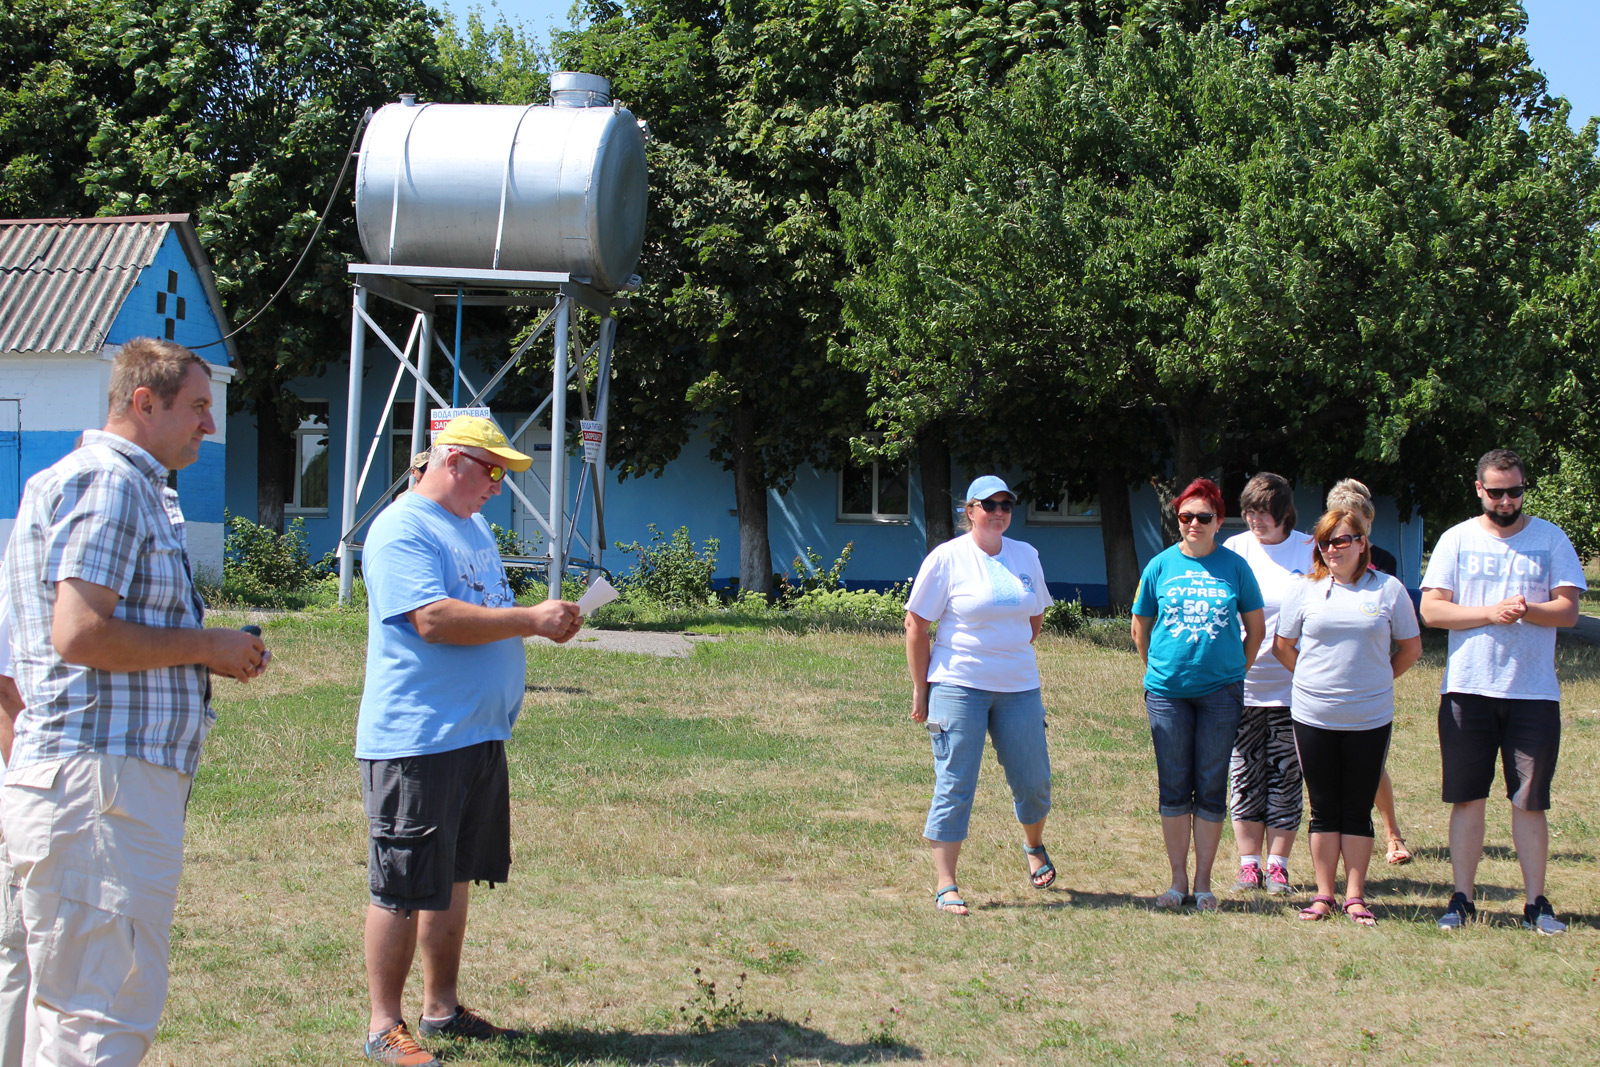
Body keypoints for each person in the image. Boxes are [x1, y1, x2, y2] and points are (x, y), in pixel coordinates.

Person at [0, 338, 267, 1067]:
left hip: (78, 784)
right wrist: (206, 645)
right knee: (102, 1017)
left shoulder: (75, 481)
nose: (209, 425)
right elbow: (80, 632)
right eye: (198, 406)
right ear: (143, 403)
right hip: (101, 789)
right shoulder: (112, 482)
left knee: (59, 1014)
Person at [359, 415, 583, 1066]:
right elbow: (431, 619)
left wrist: (539, 622)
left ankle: (442, 1010)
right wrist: (530, 620)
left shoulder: (472, 526)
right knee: (402, 884)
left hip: (475, 735)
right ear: (452, 460)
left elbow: (481, 609)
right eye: (493, 471)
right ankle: (383, 1026)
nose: (497, 486)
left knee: (453, 877)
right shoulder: (402, 528)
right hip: (418, 739)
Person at [1419, 448, 1586, 934]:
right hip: (1468, 689)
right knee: (1467, 797)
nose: (1507, 500)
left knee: (1529, 801)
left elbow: (1569, 612)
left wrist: (1528, 609)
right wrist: (1491, 613)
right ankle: (1462, 899)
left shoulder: (1550, 538)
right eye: (1496, 492)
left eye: (1515, 491)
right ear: (1479, 489)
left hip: (1533, 693)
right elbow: (1432, 611)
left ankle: (1536, 904)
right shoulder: (1456, 539)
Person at [905, 476, 1054, 916]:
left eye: (1006, 504)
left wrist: (1008, 652)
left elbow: (1035, 616)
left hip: (1019, 687)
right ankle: (946, 883)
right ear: (969, 510)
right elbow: (916, 625)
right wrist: (921, 689)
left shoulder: (1026, 555)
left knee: (1034, 781)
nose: (998, 512)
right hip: (957, 684)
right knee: (955, 782)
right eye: (988, 504)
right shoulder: (947, 558)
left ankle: (1034, 846)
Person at [1273, 509, 1421, 925]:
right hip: (1313, 716)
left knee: (1356, 808)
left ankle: (1355, 897)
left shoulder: (1388, 589)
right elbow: (1283, 646)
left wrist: (1375, 680)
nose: (1332, 549)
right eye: (1325, 542)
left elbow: (1411, 648)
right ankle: (1323, 895)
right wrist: (1313, 681)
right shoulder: (1305, 590)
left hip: (1370, 717)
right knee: (1323, 808)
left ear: (1361, 542)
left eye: (1340, 540)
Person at [1132, 478, 1264, 911]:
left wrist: (1236, 671)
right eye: (1185, 516)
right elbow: (1140, 626)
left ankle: (1204, 885)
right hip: (1167, 694)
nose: (1193, 524)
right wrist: (1157, 668)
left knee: (1210, 786)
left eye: (1203, 517)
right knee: (1173, 787)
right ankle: (1177, 883)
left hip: (1221, 694)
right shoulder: (1160, 566)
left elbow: (1256, 628)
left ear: (1218, 521)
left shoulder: (1235, 567)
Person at [1222, 473, 1313, 895]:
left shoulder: (1310, 550)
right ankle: (1248, 865)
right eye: (1249, 512)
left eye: (1264, 513)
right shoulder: (1234, 549)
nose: (1255, 521)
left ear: (1284, 513)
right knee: (1244, 774)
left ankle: (1278, 866)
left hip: (1294, 687)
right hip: (1242, 684)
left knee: (1285, 776)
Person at [1325, 478, 1411, 865]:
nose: (1344, 538)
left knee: (1372, 766)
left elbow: (1399, 632)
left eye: (1357, 526)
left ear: (1368, 526)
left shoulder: (1385, 564)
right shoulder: (1319, 560)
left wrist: (1379, 676)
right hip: (1326, 685)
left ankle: (1392, 834)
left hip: (1370, 683)